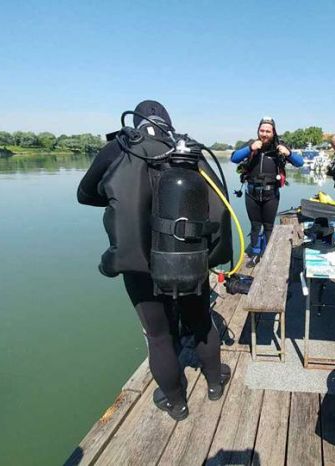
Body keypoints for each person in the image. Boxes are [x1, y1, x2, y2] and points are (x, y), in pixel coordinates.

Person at [77, 100, 230, 421]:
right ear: (168, 123)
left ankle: (176, 403)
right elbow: (218, 203)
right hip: (188, 257)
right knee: (201, 321)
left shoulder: (120, 148)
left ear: (137, 121)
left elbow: (85, 194)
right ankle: (215, 384)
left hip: (139, 262)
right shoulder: (188, 151)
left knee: (159, 335)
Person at [230, 117, 303, 267]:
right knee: (255, 225)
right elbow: (234, 158)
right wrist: (250, 148)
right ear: (258, 131)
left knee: (269, 225)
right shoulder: (251, 144)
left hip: (271, 194)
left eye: (268, 131)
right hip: (252, 193)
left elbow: (299, 163)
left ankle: (269, 253)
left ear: (273, 132)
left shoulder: (279, 147)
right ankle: (256, 254)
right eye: (262, 130)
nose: (264, 134)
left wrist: (288, 153)